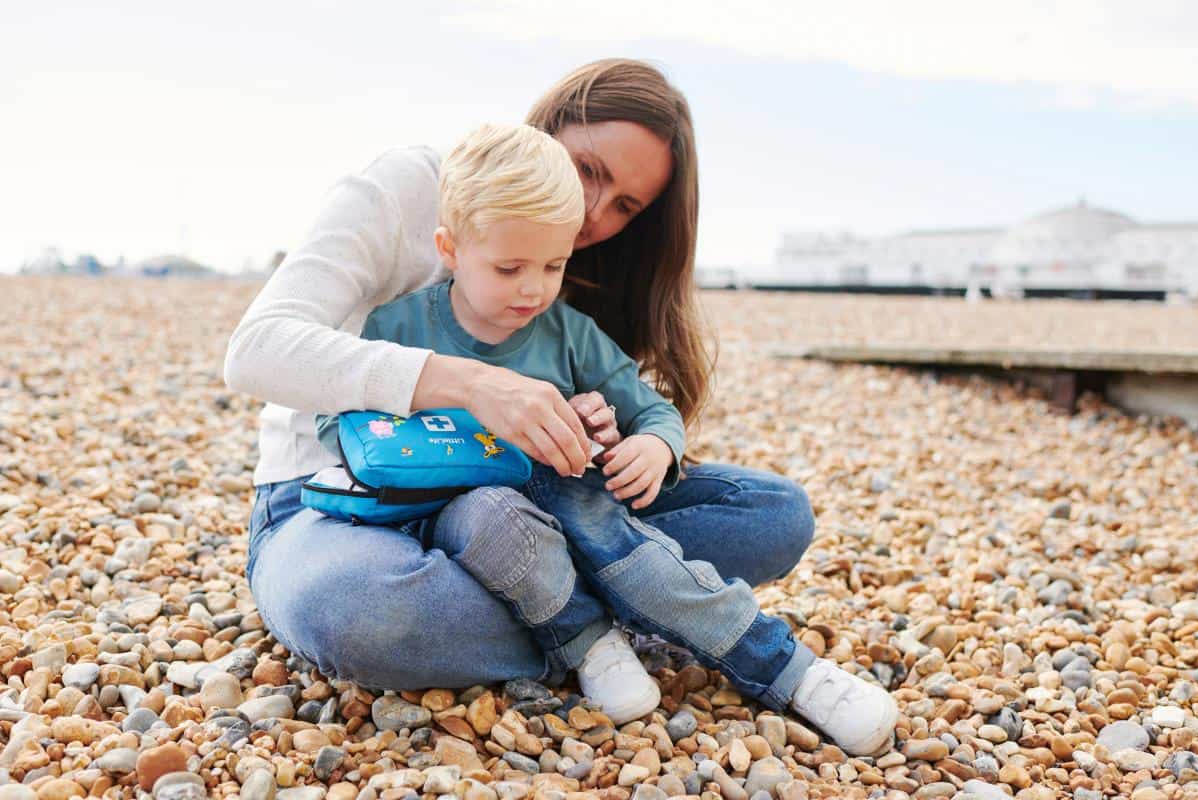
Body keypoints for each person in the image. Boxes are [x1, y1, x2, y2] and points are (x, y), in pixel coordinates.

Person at [221, 58, 867, 745]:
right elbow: (256, 350)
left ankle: (578, 615)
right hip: (346, 503)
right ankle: (631, 612)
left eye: (626, 207)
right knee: (359, 609)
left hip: (539, 503)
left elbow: (602, 420)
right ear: (550, 121)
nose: (593, 214)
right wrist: (467, 384)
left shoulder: (569, 270)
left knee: (773, 516)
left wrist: (607, 429)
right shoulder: (411, 186)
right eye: (589, 170)